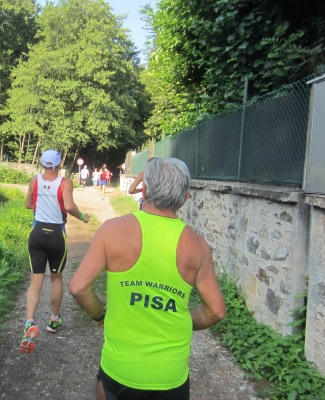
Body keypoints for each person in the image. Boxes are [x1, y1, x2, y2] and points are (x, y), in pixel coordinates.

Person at [69, 157, 226, 399]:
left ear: (144, 190)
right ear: (185, 199)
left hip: (119, 370)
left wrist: (100, 315)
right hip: (170, 377)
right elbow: (216, 311)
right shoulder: (198, 247)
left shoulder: (112, 230)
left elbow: (79, 287)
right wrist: (184, 320)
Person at [21, 149, 90, 354]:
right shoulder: (65, 182)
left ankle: (29, 322)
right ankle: (53, 320)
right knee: (56, 278)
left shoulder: (34, 181)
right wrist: (83, 216)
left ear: (42, 164)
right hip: (56, 235)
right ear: (59, 165)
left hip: (37, 233)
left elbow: (27, 204)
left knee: (35, 281)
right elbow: (68, 205)